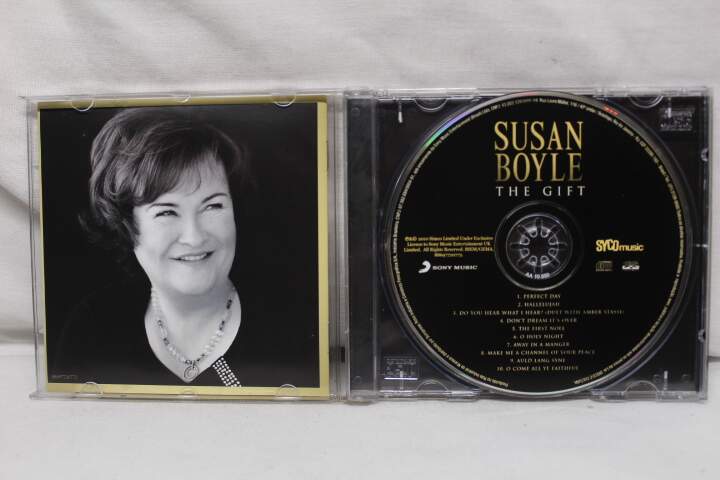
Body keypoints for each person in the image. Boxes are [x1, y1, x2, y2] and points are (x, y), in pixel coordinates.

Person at [52, 108, 256, 387]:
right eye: (166, 212)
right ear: (126, 223)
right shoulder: (91, 330)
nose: (194, 237)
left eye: (213, 206)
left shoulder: (296, 325)